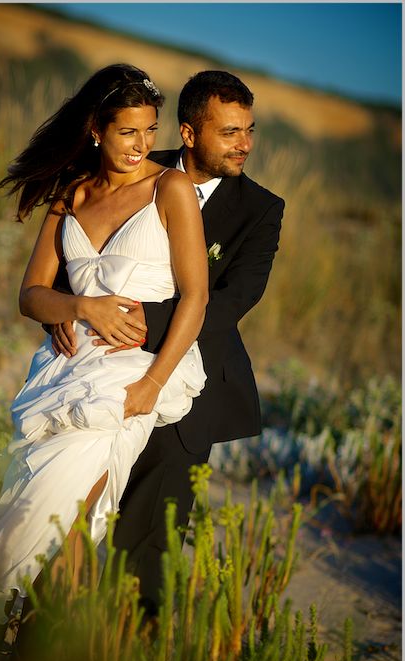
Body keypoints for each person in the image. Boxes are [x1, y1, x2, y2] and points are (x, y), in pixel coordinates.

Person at [0, 64, 208, 624]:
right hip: (64, 370)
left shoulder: (170, 189)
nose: (142, 144)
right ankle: (8, 627)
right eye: (128, 131)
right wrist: (79, 306)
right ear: (97, 129)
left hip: (131, 375)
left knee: (73, 503)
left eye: (150, 130)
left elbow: (195, 298)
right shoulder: (70, 196)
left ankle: (19, 624)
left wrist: (152, 383)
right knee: (28, 495)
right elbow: (31, 296)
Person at [49, 70, 285, 616]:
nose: (244, 144)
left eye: (249, 130)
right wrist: (64, 311)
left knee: (149, 537)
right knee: (61, 505)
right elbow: (79, 257)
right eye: (229, 132)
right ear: (186, 132)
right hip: (91, 369)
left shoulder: (261, 210)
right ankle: (36, 637)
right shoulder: (128, 166)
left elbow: (233, 299)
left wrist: (140, 324)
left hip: (188, 386)